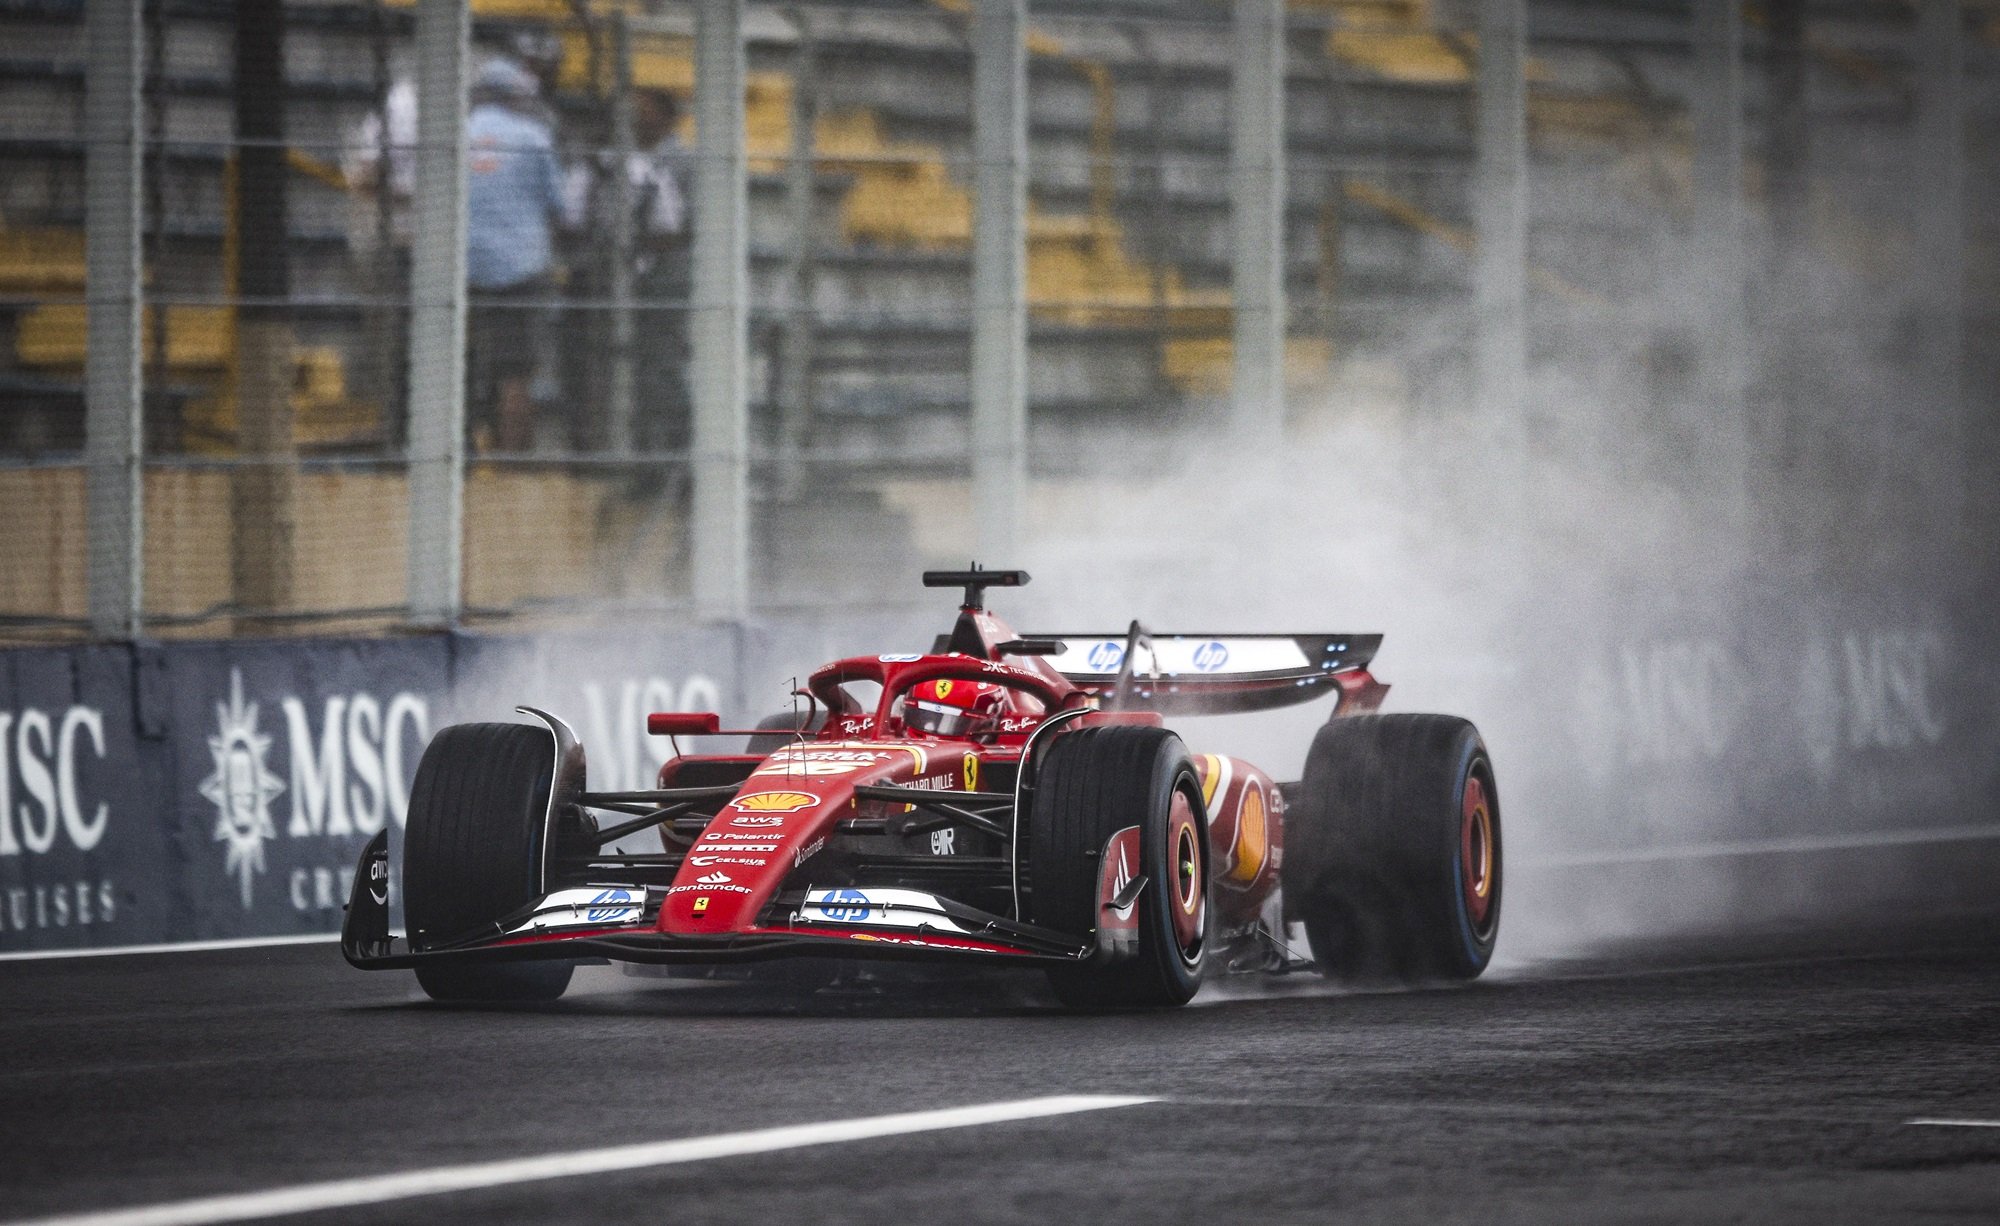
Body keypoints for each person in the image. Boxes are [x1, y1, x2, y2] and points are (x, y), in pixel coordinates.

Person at [465, 55, 566, 452]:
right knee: (517, 370)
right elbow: (558, 204)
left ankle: (465, 451)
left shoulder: (456, 134)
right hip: (521, 266)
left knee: (465, 360)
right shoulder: (532, 137)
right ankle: (514, 457)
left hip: (465, 264)